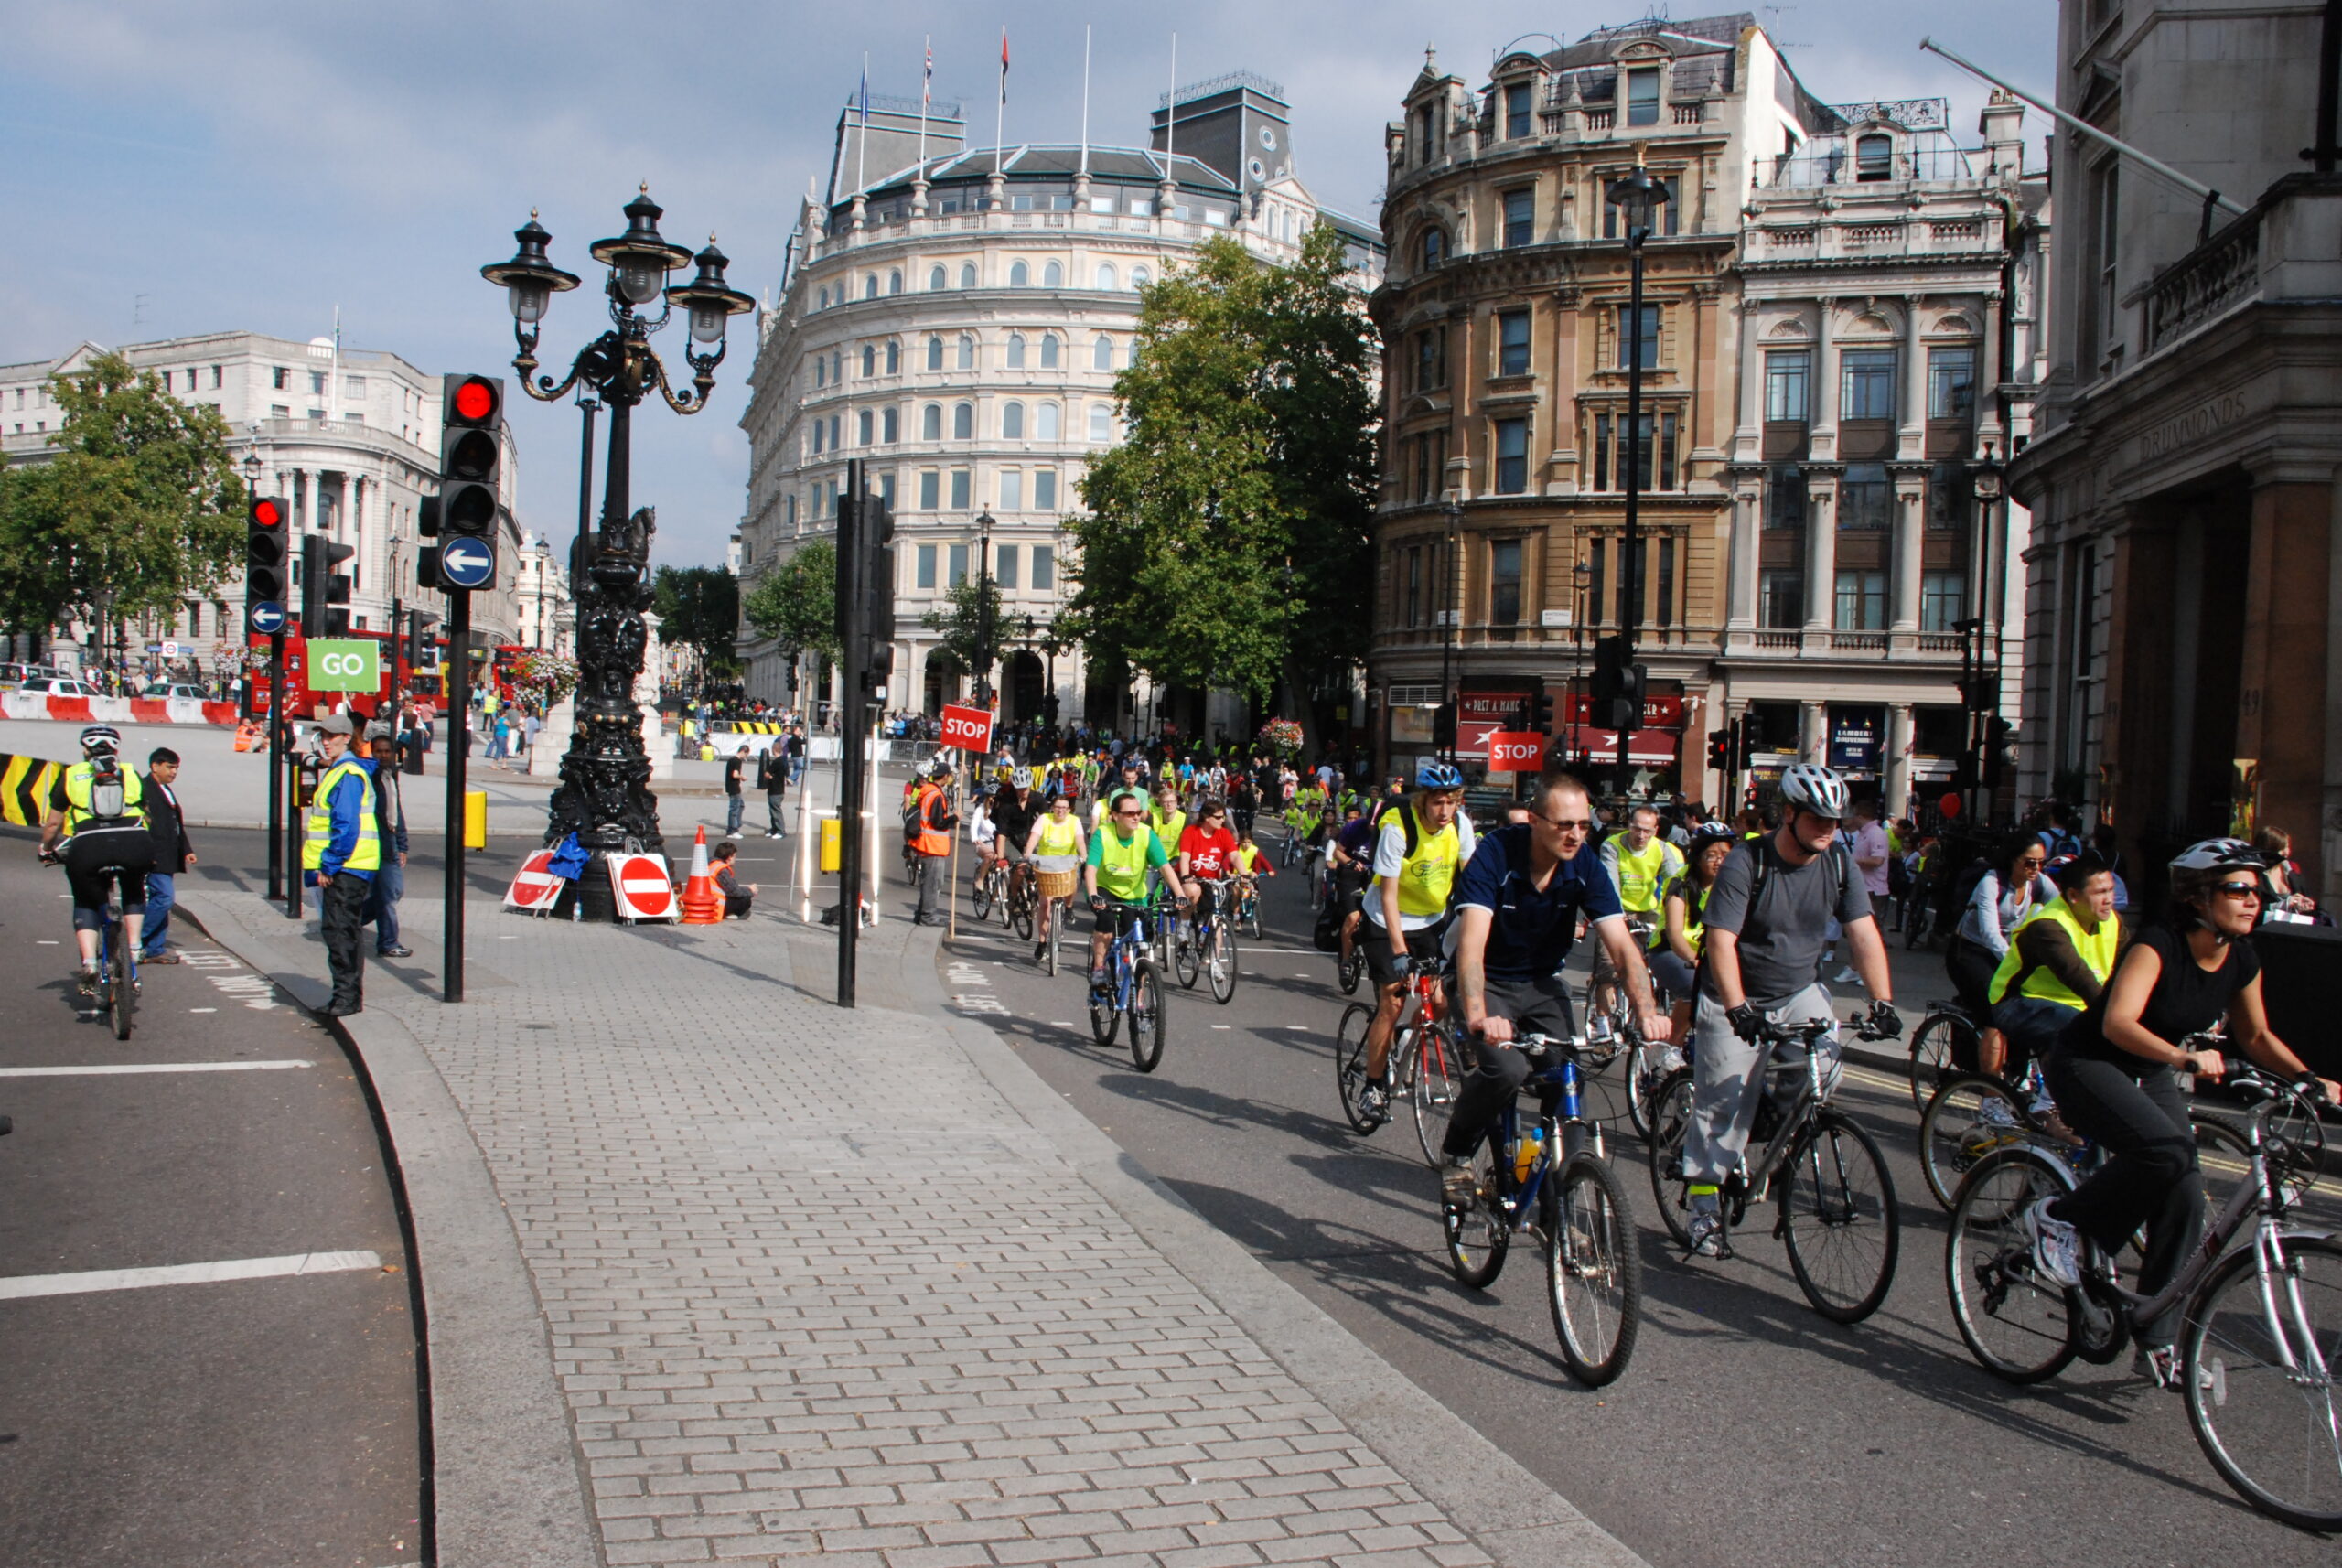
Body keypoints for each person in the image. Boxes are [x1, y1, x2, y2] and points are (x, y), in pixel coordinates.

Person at [2025, 840, 2338, 1388]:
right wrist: (2181, 1056)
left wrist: (2307, 1078)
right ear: (2197, 897)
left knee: (2187, 1188)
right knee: (2162, 1153)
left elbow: (2256, 1035)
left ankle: (2156, 1336)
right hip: (2088, 1062)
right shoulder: (2158, 944)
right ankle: (2060, 1220)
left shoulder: (2241, 958)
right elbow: (2118, 1022)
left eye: (2258, 892)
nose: (2253, 901)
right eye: (2238, 890)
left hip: (2149, 1069)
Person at [1681, 764, 1899, 1258]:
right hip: (1734, 992)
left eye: (1834, 821)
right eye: (1817, 819)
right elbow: (1720, 940)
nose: (1827, 829)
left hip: (1798, 988)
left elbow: (1863, 933)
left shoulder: (1838, 862)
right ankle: (1703, 1204)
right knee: (1721, 1106)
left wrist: (1882, 1001)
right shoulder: (1746, 861)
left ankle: (1774, 1132)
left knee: (1827, 1065)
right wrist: (1737, 1008)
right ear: (1788, 815)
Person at [1443, 771, 1669, 1208]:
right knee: (1507, 1071)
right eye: (1564, 824)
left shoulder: (1583, 863)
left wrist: (1646, 1011)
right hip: (1487, 978)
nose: (1575, 835)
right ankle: (1457, 1151)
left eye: (1583, 824)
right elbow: (1470, 947)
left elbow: (1622, 946)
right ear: (1534, 819)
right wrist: (1478, 1015)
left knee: (1567, 1084)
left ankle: (1558, 1210)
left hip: (1542, 982)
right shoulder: (1496, 854)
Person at [1355, 763, 1477, 1124]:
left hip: (1430, 919)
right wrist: (1399, 951)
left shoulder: (1460, 826)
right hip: (1385, 920)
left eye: (1451, 802)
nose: (1445, 811)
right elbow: (1388, 895)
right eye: (1437, 802)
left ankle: (1407, 1036)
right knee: (1392, 1001)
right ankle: (1372, 1087)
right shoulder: (1398, 827)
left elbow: (1473, 882)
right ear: (1423, 800)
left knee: (1439, 1002)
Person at [1985, 852, 2120, 1115]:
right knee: (2080, 1028)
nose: (2109, 899)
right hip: (2017, 1003)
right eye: (2100, 892)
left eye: (2111, 890)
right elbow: (2079, 977)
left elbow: (2131, 969)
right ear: (2073, 896)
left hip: (2072, 1005)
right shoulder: (2048, 926)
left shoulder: (2111, 921)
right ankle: (2047, 1106)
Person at [39, 725, 155, 995]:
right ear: (116, 749)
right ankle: (135, 947)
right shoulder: (130, 772)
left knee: (86, 900)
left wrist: (46, 848)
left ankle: (90, 964)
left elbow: (53, 823)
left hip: (88, 846)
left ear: (85, 750)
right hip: (134, 843)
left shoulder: (71, 775)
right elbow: (149, 814)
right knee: (134, 888)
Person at [1950, 833, 2057, 1075]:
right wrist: (2017, 963)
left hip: (2005, 954)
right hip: (1969, 952)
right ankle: (1991, 1092)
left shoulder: (2040, 883)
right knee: (1995, 1014)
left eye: (2041, 862)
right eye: (2029, 862)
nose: (2036, 868)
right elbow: (1989, 934)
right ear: (2013, 860)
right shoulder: (1991, 883)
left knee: (2029, 1005)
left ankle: (2018, 1073)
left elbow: (2063, 912)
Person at [304, 714, 380, 1017]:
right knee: (344, 931)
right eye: (322, 735)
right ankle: (346, 997)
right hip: (350, 866)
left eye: (332, 736)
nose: (326, 741)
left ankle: (345, 998)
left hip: (346, 867)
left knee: (340, 932)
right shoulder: (341, 771)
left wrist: (329, 865)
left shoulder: (347, 774)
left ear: (347, 738)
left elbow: (345, 825)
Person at [1084, 788, 1192, 991]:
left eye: (1138, 812)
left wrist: (1179, 894)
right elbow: (1090, 869)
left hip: (1134, 894)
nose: (1136, 817)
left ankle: (1139, 1000)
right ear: (1115, 815)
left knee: (1138, 937)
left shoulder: (1146, 834)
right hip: (1105, 889)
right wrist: (1093, 895)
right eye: (1129, 813)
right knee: (1106, 920)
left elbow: (1165, 867)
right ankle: (1099, 968)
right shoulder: (1103, 834)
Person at [1649, 822, 1736, 1047]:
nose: (1719, 861)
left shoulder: (1733, 884)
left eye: (1725, 855)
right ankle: (1673, 1045)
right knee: (1694, 987)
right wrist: (1693, 960)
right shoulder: (1680, 883)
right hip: (1671, 952)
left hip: (1712, 953)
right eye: (1711, 856)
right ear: (1697, 857)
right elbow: (1675, 933)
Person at [1594, 805, 1684, 1015]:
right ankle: (1603, 1024)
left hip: (1647, 911)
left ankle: (1643, 1018)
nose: (1641, 836)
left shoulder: (1662, 849)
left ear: (1655, 830)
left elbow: (1673, 884)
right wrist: (1617, 914)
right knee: (1608, 967)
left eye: (1647, 831)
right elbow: (1611, 883)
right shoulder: (1612, 845)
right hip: (1615, 910)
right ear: (1629, 825)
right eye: (1637, 829)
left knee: (1658, 957)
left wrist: (1675, 916)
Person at [362, 724, 414, 959]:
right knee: (388, 895)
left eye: (387, 751)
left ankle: (349, 920)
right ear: (371, 752)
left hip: (390, 841)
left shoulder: (389, 776)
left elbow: (396, 811)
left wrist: (402, 845)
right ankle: (388, 942)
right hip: (376, 842)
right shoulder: (369, 778)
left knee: (393, 892)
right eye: (378, 751)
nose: (383, 755)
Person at [140, 746, 194, 964]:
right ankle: (135, 939)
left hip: (168, 855)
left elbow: (175, 824)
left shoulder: (165, 790)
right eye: (170, 767)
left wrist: (186, 849)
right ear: (155, 766)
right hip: (154, 855)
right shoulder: (144, 789)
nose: (174, 772)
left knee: (160, 899)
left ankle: (154, 948)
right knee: (164, 898)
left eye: (176, 768)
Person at [1025, 791, 1088, 961]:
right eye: (1058, 807)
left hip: (1067, 863)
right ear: (1052, 808)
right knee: (1045, 903)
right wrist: (1028, 853)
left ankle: (1069, 906)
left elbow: (1080, 841)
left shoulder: (1074, 821)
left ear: (1069, 809)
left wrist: (1083, 855)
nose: (1061, 811)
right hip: (1046, 865)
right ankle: (1042, 942)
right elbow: (1034, 837)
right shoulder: (1044, 819)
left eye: (1064, 808)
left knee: (1073, 881)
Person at [1174, 797, 1240, 950]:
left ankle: (1215, 960)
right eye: (1219, 817)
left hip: (1211, 880)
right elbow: (1185, 857)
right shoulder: (1191, 832)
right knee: (1192, 890)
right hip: (1191, 878)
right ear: (1206, 817)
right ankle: (1184, 926)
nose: (1223, 820)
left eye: (1224, 816)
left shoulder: (1224, 833)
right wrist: (1186, 876)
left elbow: (1234, 856)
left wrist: (1244, 875)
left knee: (1216, 917)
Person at [908, 754, 957, 926]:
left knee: (928, 882)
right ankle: (928, 916)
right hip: (932, 845)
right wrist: (954, 818)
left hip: (926, 843)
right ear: (945, 776)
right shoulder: (936, 795)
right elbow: (938, 822)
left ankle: (921, 913)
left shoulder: (927, 791)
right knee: (933, 883)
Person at [987, 771, 1041, 911]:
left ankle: (1033, 893)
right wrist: (1000, 858)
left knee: (1038, 868)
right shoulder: (1006, 803)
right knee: (1021, 868)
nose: (1024, 791)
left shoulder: (1037, 799)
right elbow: (1002, 834)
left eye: (1026, 788)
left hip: (1030, 836)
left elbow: (1047, 823)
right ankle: (1013, 895)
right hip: (1010, 838)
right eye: (1020, 788)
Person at [711, 842, 757, 918]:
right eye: (734, 857)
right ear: (729, 858)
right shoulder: (721, 869)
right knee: (745, 900)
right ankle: (730, 914)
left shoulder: (711, 864)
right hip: (716, 904)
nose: (735, 859)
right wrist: (750, 890)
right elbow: (734, 891)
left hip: (710, 899)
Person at [757, 743, 790, 837]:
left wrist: (769, 776)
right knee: (773, 811)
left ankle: (780, 831)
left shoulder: (777, 762)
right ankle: (774, 829)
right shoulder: (784, 761)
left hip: (775, 789)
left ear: (773, 750)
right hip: (780, 789)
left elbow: (767, 773)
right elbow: (786, 774)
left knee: (776, 811)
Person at [722, 745, 748, 838]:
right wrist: (742, 777)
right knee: (734, 809)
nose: (745, 757)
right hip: (735, 787)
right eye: (746, 755)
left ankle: (736, 824)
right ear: (743, 752)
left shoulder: (731, 760)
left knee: (740, 805)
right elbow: (735, 774)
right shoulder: (737, 761)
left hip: (730, 786)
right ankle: (733, 830)